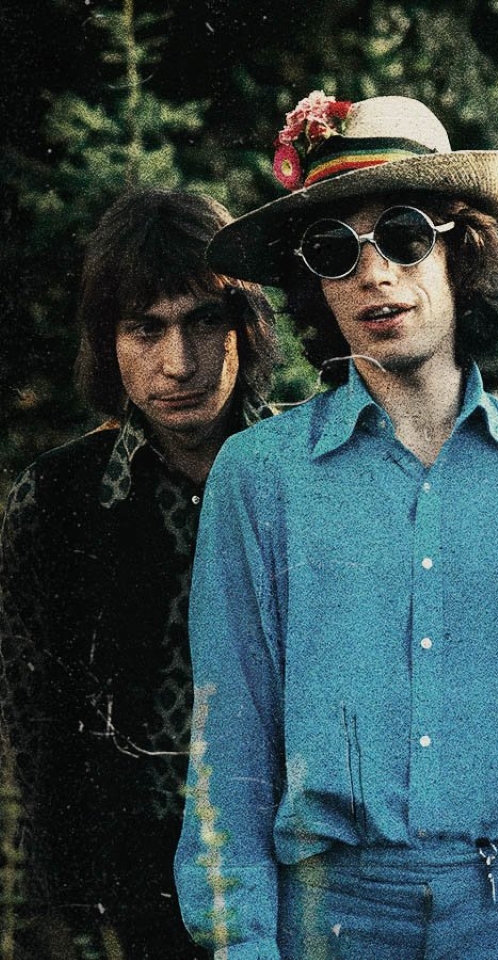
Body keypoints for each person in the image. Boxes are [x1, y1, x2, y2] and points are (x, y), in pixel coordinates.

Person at [174, 92, 498, 960]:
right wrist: (242, 943)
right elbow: (228, 749)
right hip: (325, 920)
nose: (374, 274)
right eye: (334, 251)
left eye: (405, 235)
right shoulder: (260, 477)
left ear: (462, 248)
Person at [0, 189, 277, 959]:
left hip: (294, 877)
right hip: (131, 898)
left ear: (245, 327)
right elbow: (37, 738)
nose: (178, 363)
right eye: (145, 328)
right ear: (107, 340)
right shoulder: (59, 498)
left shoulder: (307, 476)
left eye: (204, 321)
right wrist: (68, 921)